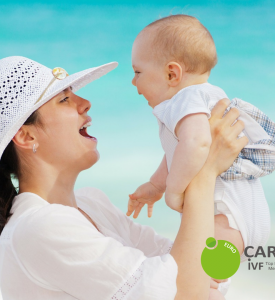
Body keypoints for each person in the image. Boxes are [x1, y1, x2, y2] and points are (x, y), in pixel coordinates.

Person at [0, 56, 247, 300]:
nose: (85, 102)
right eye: (64, 99)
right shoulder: (39, 227)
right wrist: (205, 170)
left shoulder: (92, 204)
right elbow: (185, 292)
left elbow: (203, 270)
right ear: (26, 137)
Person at [128, 14, 275, 297]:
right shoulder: (207, 95)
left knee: (195, 284)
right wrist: (156, 185)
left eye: (138, 72)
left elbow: (197, 143)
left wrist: (174, 191)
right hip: (242, 217)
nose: (133, 82)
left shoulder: (184, 99)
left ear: (172, 74)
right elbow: (179, 152)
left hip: (226, 216)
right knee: (207, 279)